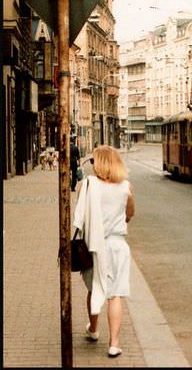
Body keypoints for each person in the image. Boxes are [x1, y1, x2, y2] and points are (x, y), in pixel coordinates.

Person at [72, 145, 136, 358]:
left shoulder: (87, 186)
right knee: (115, 294)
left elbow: (80, 213)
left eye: (93, 161)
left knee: (94, 288)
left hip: (93, 247)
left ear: (99, 163)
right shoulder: (126, 187)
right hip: (117, 246)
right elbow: (130, 213)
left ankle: (94, 329)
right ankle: (114, 343)